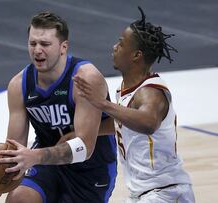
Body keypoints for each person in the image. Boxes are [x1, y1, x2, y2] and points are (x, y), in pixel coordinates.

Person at [0, 11, 117, 203]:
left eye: (45, 44)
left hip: (90, 168)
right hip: (46, 165)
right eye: (33, 44)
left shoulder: (86, 78)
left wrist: (33, 156)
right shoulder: (19, 85)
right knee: (19, 198)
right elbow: (14, 148)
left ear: (63, 47)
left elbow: (83, 148)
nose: (37, 50)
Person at [73, 7, 195, 203]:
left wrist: (102, 104)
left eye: (121, 44)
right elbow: (123, 125)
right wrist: (84, 132)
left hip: (165, 193)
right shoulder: (127, 90)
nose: (114, 47)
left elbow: (148, 123)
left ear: (136, 55)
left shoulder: (151, 92)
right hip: (146, 194)